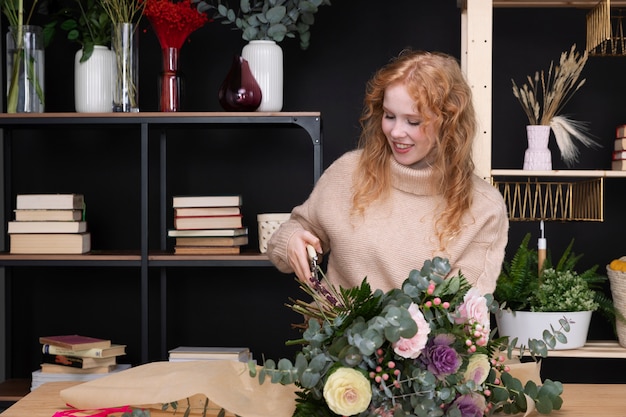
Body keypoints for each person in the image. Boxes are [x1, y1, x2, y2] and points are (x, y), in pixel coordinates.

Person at [267, 50, 509, 295]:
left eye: (413, 122)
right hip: (332, 332)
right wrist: (291, 241)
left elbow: (463, 317)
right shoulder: (348, 172)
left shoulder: (483, 207)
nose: (395, 132)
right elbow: (292, 232)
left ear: (449, 123)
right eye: (389, 116)